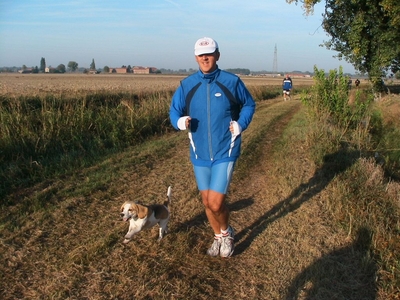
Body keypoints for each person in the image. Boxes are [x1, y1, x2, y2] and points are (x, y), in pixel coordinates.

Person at [169, 37, 256, 258]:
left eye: (209, 53)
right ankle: (217, 237)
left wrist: (240, 124)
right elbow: (174, 111)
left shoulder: (231, 81)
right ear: (196, 57)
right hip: (199, 153)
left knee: (216, 203)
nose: (205, 58)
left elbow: (248, 104)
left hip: (225, 149)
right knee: (207, 202)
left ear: (217, 55)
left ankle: (226, 234)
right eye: (201, 54)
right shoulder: (187, 85)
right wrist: (180, 122)